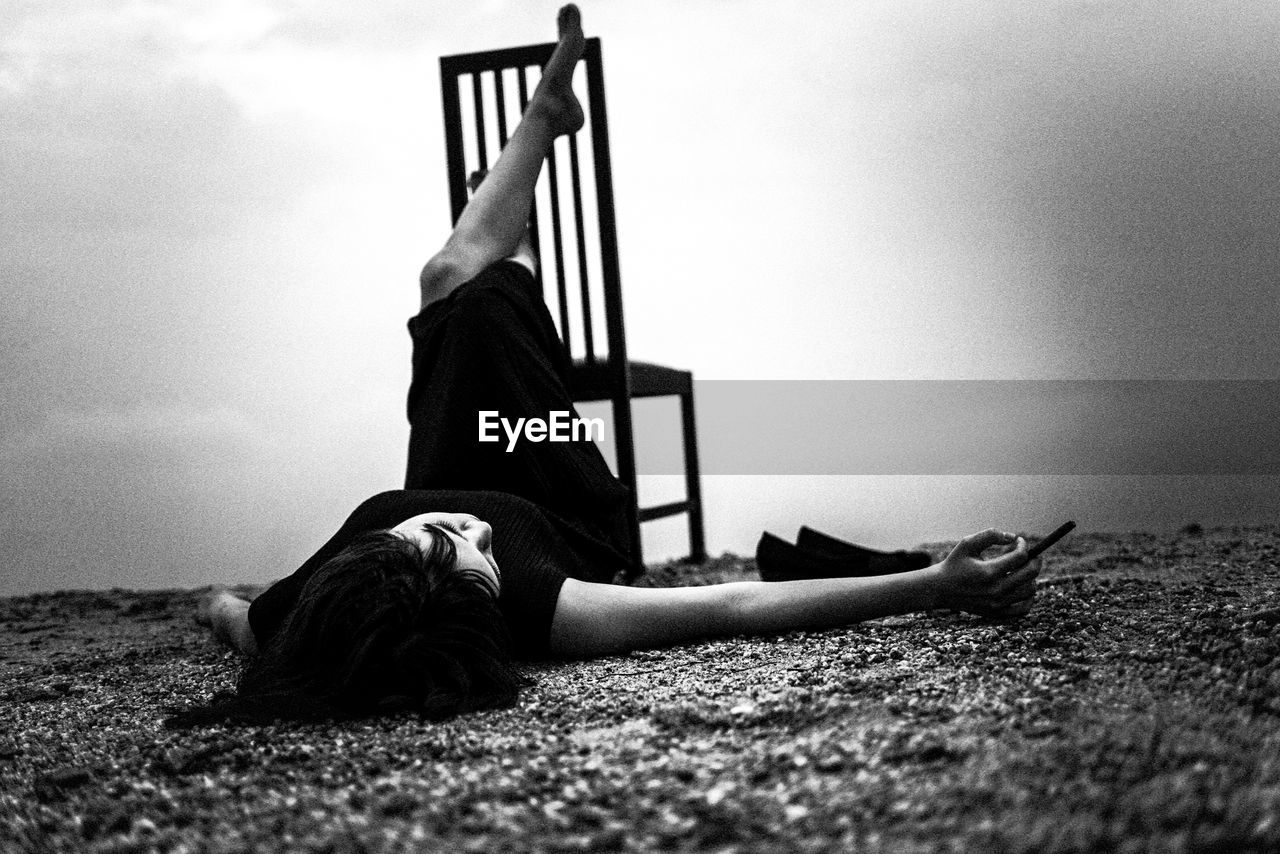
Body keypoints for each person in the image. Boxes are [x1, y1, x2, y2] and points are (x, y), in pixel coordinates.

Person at [177, 5, 1038, 728]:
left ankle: (539, 142)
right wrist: (932, 584)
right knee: (475, 299)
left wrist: (218, 607)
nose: (474, 533)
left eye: (445, 538)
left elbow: (237, 622)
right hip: (557, 486)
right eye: (484, 565)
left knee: (444, 280)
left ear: (379, 562)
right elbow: (732, 606)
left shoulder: (317, 603)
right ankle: (529, 217)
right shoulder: (543, 604)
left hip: (453, 454)